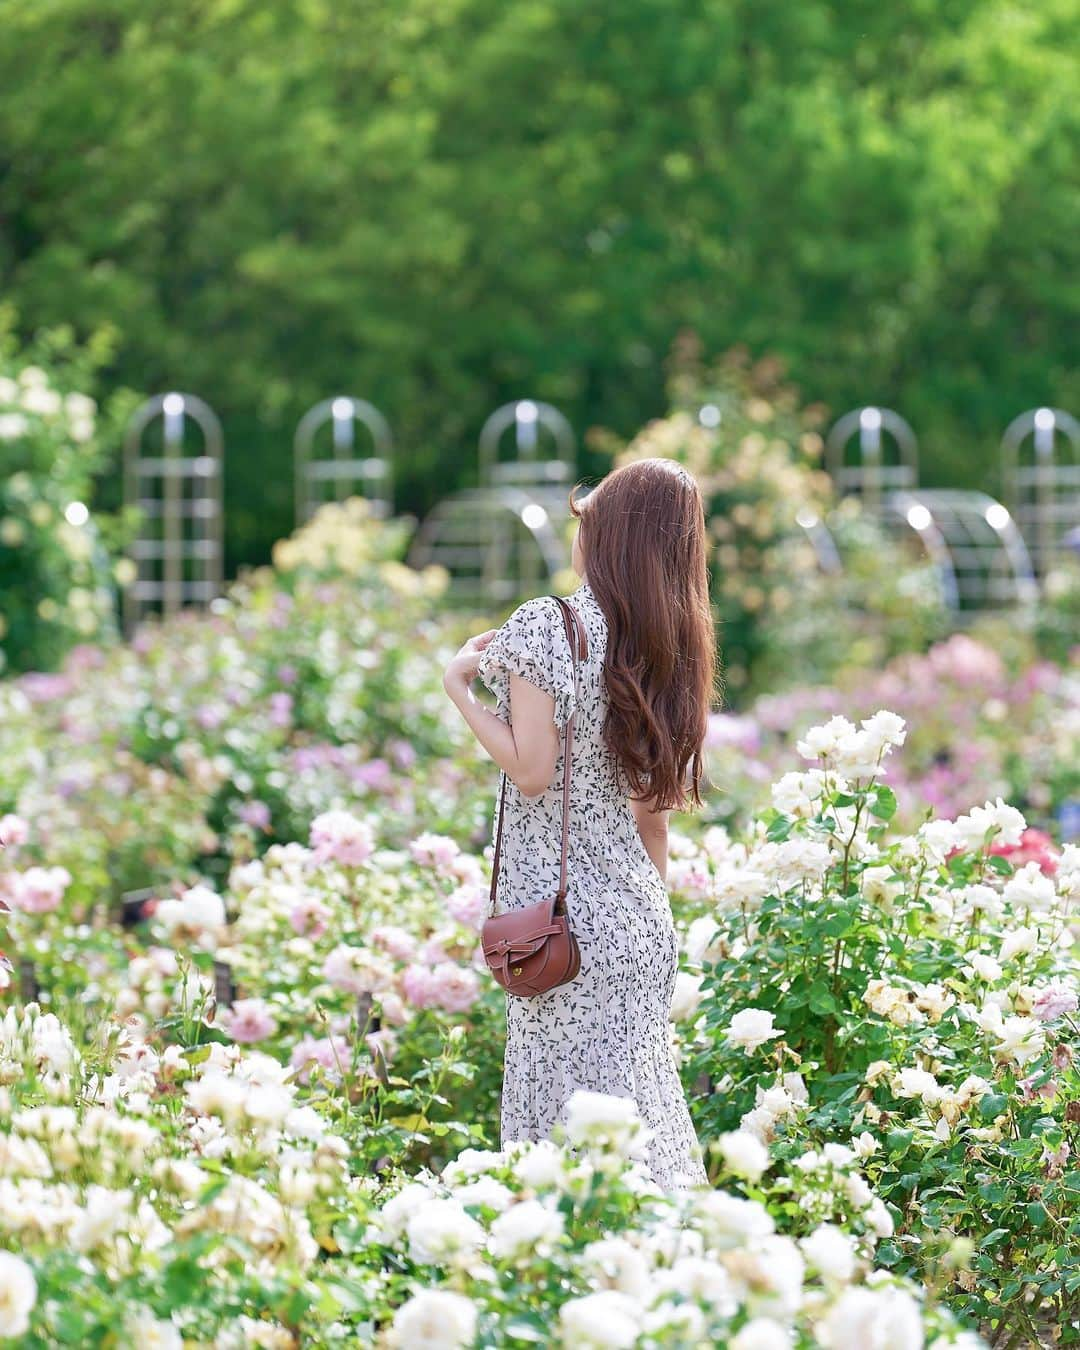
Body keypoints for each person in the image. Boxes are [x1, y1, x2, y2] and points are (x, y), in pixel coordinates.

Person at [442, 456, 720, 1188]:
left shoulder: (549, 625)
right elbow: (652, 819)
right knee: (647, 1137)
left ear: (607, 537)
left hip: (561, 933)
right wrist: (645, 930)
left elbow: (531, 770)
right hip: (639, 925)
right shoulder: (666, 646)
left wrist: (460, 690)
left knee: (565, 1153)